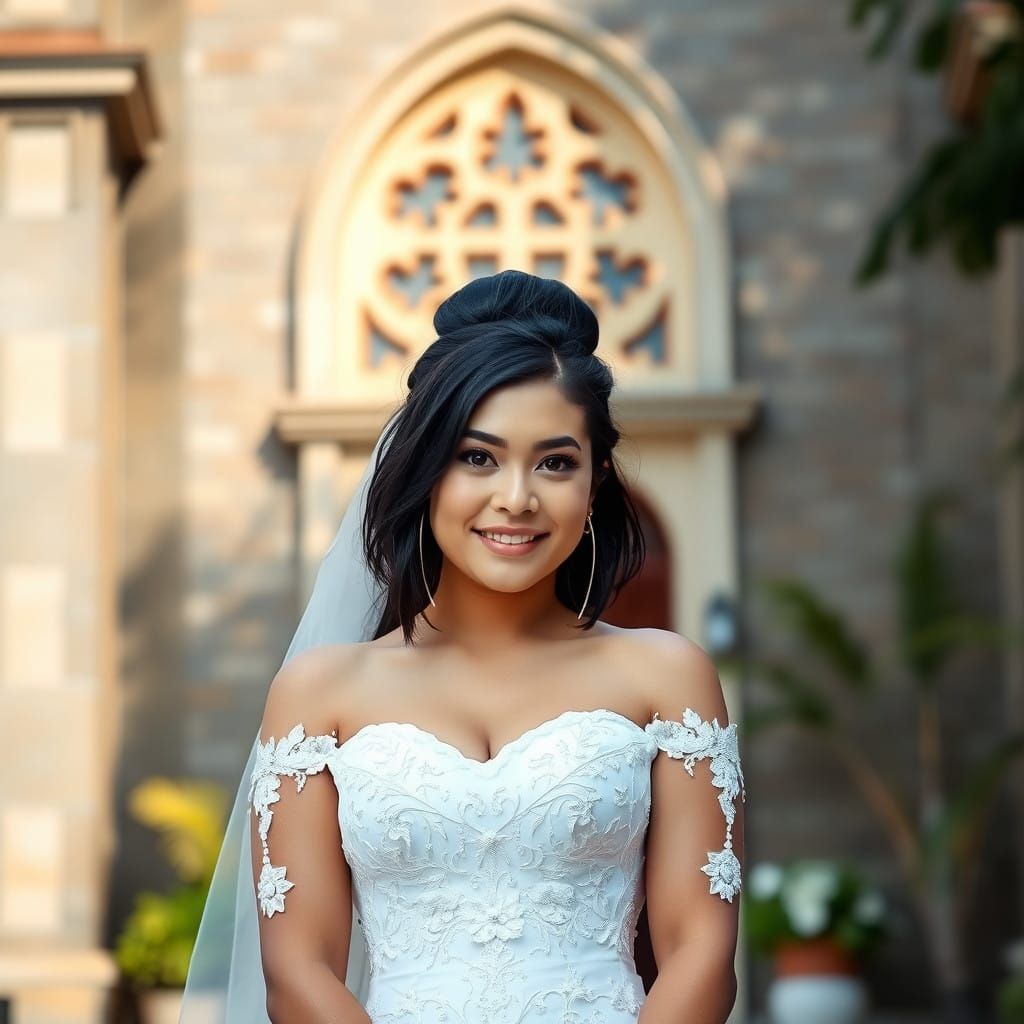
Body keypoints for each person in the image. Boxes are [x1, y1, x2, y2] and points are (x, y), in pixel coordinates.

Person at [180, 270, 745, 1024]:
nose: (516, 496)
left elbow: (703, 951)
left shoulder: (666, 676)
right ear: (425, 469)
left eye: (555, 461)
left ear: (596, 479)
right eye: (477, 457)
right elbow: (296, 968)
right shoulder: (320, 694)